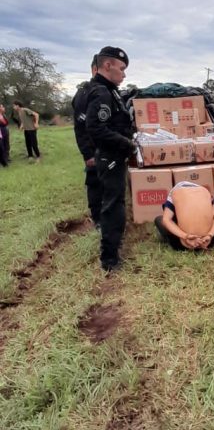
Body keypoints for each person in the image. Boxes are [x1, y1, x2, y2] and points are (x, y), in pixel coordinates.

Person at [85, 46, 135, 272]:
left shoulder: (111, 90)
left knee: (117, 203)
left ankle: (114, 247)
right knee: (112, 207)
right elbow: (95, 127)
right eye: (122, 68)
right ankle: (109, 258)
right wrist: (126, 143)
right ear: (108, 65)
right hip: (110, 157)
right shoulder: (101, 92)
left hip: (115, 156)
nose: (124, 74)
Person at [72, 55, 102, 227]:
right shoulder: (85, 93)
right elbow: (80, 127)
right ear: (94, 69)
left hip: (110, 150)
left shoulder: (108, 91)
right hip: (94, 150)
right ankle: (97, 219)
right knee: (95, 183)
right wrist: (87, 153)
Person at [154, 181, 214, 250]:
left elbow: (166, 219)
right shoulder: (206, 192)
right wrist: (210, 235)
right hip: (208, 241)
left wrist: (185, 236)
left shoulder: (174, 192)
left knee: (159, 219)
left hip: (184, 243)